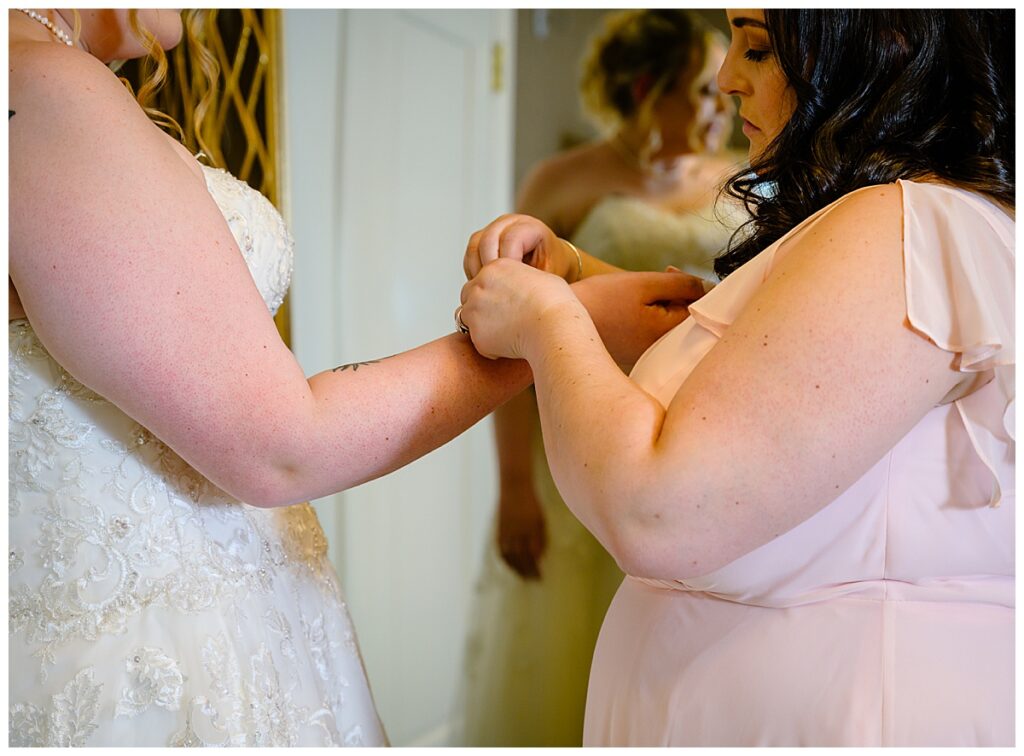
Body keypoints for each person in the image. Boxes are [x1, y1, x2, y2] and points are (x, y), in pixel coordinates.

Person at [7, 9, 705, 747]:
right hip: (148, 659)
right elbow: (280, 445)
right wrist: (558, 325)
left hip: (220, 613)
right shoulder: (42, 85)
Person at [460, 8, 1013, 747]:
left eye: (756, 46)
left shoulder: (900, 222)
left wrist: (546, 322)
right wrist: (587, 277)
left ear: (882, 46)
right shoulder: (906, 220)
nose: (725, 79)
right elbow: (768, 359)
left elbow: (659, 510)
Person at [459, 10, 743, 747]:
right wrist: (516, 487)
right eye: (701, 91)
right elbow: (508, 344)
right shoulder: (563, 181)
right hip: (580, 439)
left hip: (705, 440)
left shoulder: (743, 181)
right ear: (649, 88)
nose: (724, 105)